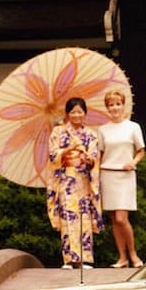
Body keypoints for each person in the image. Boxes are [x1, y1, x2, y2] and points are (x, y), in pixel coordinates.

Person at [46, 97, 103, 269]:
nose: (77, 115)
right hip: (66, 180)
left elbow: (95, 158)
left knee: (84, 218)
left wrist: (88, 160)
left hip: (84, 181)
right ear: (67, 114)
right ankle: (70, 259)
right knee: (68, 218)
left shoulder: (91, 134)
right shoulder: (58, 132)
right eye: (73, 112)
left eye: (80, 111)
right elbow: (52, 155)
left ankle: (85, 259)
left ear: (85, 113)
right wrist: (68, 150)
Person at [98, 89, 146, 268]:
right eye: (111, 105)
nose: (114, 108)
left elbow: (141, 151)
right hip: (108, 173)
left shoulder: (133, 127)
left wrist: (133, 162)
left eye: (117, 104)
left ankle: (133, 255)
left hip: (126, 176)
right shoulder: (102, 130)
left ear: (123, 105)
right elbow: (100, 154)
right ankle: (122, 258)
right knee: (113, 219)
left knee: (121, 218)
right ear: (107, 108)